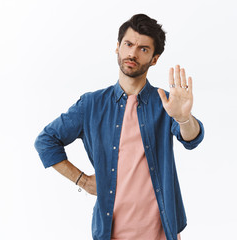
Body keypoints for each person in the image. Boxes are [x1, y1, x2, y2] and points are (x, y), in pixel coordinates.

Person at [34, 13, 204, 240]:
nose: (133, 53)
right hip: (110, 233)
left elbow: (191, 138)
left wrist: (183, 118)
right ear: (117, 47)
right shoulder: (92, 104)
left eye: (143, 49)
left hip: (162, 233)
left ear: (154, 59)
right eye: (128, 44)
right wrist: (83, 180)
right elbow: (46, 140)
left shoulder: (165, 102)